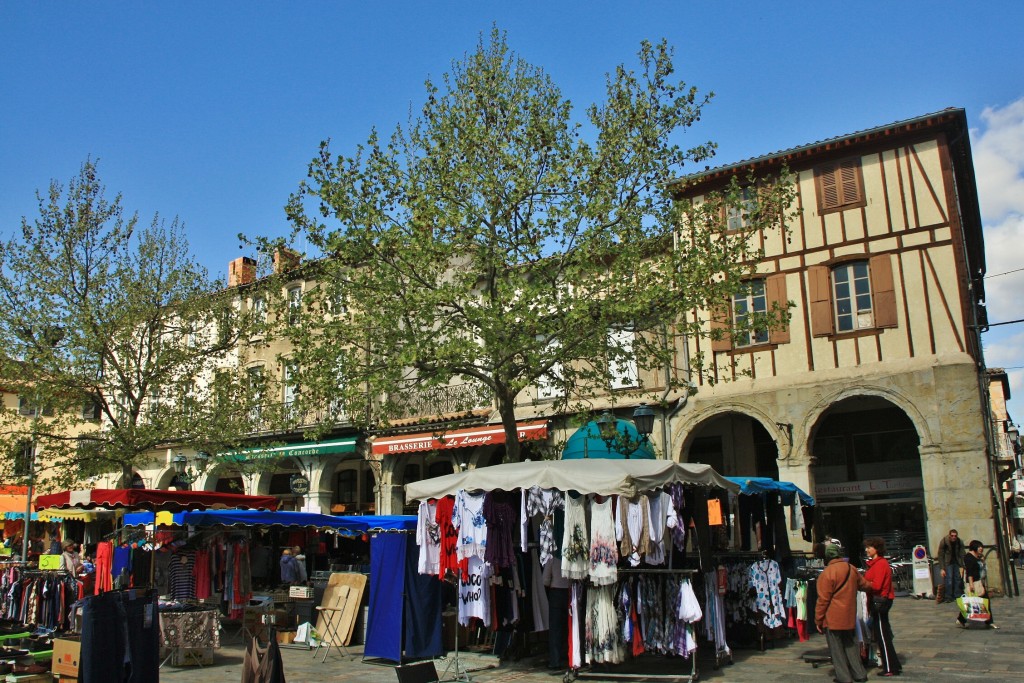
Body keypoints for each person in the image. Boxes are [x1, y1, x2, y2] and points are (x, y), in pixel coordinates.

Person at [815, 539, 872, 683]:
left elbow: (823, 600)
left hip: (833, 618)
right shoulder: (851, 569)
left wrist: (818, 619)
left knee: (837, 650)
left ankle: (844, 677)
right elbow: (865, 585)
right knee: (851, 646)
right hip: (849, 615)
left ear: (827, 557)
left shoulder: (826, 574)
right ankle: (860, 673)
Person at [863, 537, 901, 677]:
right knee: (883, 633)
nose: (867, 550)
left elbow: (877, 585)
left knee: (882, 636)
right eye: (866, 547)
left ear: (876, 549)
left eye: (869, 547)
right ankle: (894, 664)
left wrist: (864, 584)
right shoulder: (874, 564)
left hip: (880, 601)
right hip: (880, 600)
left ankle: (890, 668)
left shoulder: (880, 564)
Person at [956, 540, 997, 629]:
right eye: (979, 547)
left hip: (978, 582)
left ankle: (961, 619)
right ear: (974, 547)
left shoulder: (976, 557)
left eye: (981, 547)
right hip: (973, 583)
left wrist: (982, 560)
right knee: (982, 601)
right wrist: (971, 585)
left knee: (972, 602)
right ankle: (989, 622)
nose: (981, 549)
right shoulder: (969, 558)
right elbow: (969, 572)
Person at [542, 552, 570, 671]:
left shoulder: (551, 556)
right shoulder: (569, 553)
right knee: (569, 627)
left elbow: (545, 580)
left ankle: (555, 660)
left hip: (556, 593)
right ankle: (569, 657)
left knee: (555, 628)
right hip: (569, 592)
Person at [935, 529, 964, 603]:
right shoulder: (944, 541)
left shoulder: (959, 541)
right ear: (949, 535)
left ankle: (957, 595)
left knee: (958, 579)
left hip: (957, 562)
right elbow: (940, 555)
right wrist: (942, 568)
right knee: (949, 580)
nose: (954, 537)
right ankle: (948, 596)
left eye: (955, 536)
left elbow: (962, 553)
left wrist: (962, 565)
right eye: (952, 536)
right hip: (948, 562)